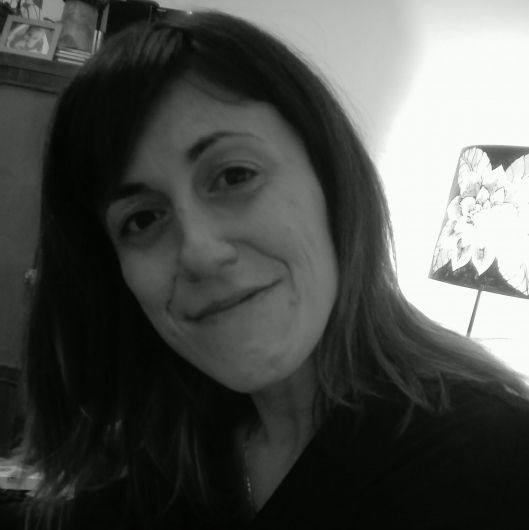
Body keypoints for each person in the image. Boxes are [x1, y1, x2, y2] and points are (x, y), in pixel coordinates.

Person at [7, 10, 529, 530]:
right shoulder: (170, 453)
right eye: (142, 219)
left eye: (235, 176)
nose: (200, 252)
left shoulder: (491, 462)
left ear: (331, 179)